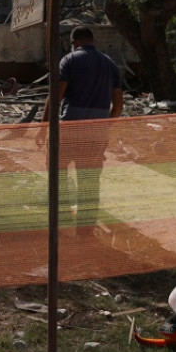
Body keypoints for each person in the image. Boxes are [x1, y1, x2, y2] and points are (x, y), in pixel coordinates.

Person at [45, 26, 123, 225]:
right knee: (89, 181)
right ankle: (86, 230)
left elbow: (57, 96)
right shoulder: (110, 64)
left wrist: (44, 127)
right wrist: (105, 125)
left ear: (75, 42)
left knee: (58, 174)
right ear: (92, 40)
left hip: (70, 129)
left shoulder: (69, 60)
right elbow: (119, 106)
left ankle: (61, 222)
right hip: (97, 133)